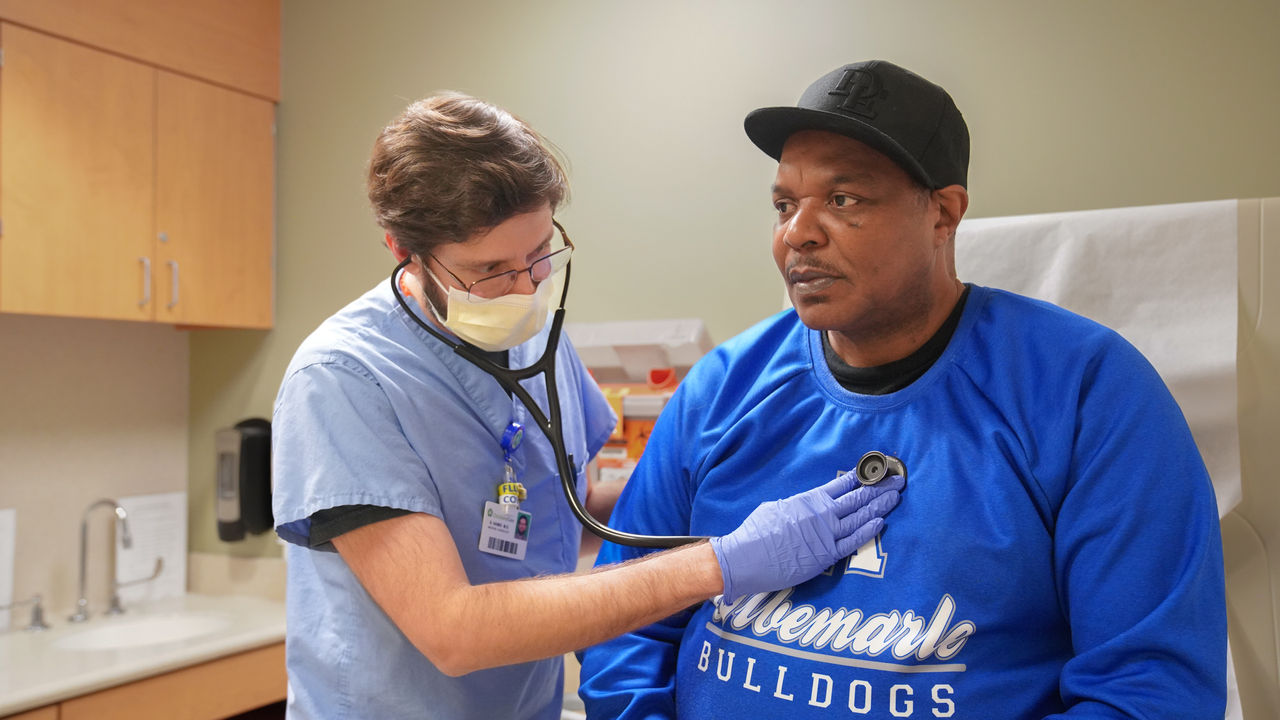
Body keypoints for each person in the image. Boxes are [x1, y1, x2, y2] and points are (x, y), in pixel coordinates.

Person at [577, 60, 1227, 719]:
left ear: (943, 213)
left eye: (843, 200)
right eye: (783, 204)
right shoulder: (722, 389)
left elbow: (1148, 694)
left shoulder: (1088, 395)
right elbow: (624, 625)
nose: (796, 233)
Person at [270, 92, 906, 720]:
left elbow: (559, 513)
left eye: (539, 253)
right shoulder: (343, 380)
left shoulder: (536, 340)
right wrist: (721, 562)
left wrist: (718, 499)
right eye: (489, 270)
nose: (524, 288)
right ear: (402, 251)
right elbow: (454, 631)